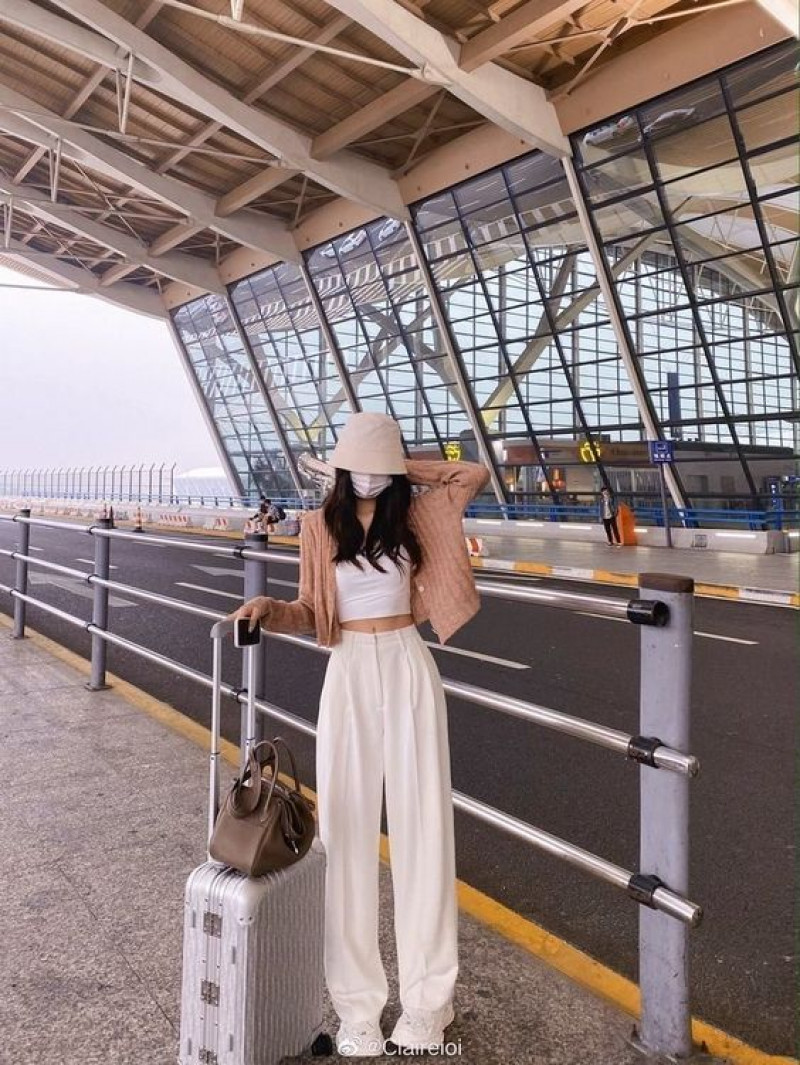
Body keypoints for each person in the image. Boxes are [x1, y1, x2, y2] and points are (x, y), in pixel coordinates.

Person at [229, 412, 490, 1057]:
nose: (370, 478)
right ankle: (356, 1008)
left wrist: (403, 467)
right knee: (344, 835)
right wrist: (268, 609)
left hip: (406, 664)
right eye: (360, 465)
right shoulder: (320, 528)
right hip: (347, 672)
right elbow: (314, 611)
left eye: (381, 467)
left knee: (423, 829)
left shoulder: (416, 516)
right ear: (341, 471)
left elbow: (471, 473)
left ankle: (430, 1003)